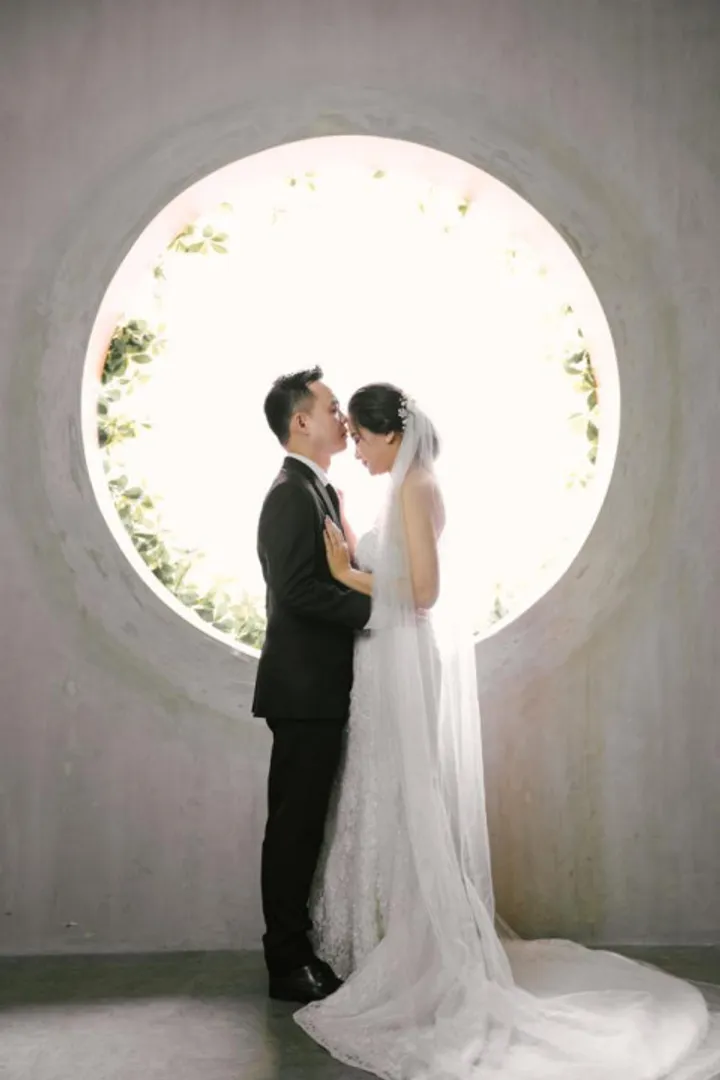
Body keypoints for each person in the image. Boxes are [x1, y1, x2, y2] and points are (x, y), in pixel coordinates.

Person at [294, 382, 720, 1080]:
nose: (358, 449)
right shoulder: (405, 485)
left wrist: (345, 572)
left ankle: (409, 948)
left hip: (402, 657)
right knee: (386, 790)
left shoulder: (414, 487)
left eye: (363, 438)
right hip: (383, 659)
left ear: (391, 435)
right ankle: (379, 938)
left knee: (406, 791)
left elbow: (423, 593)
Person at [252, 367, 371, 1004]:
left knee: (304, 826)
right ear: (301, 422)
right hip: (302, 691)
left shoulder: (317, 489)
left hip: (320, 688)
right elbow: (296, 590)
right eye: (331, 407)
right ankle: (286, 962)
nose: (342, 418)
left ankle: (298, 952)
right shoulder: (290, 495)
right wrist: (377, 612)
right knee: (293, 828)